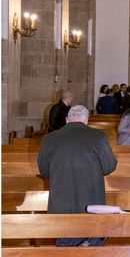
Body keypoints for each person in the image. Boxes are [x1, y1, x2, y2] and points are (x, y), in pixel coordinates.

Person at [37, 104, 117, 245]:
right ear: (86, 120)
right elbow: (109, 167)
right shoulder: (98, 137)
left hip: (61, 203)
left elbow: (44, 171)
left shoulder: (49, 139)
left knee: (64, 245)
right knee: (92, 244)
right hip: (91, 202)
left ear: (67, 119)